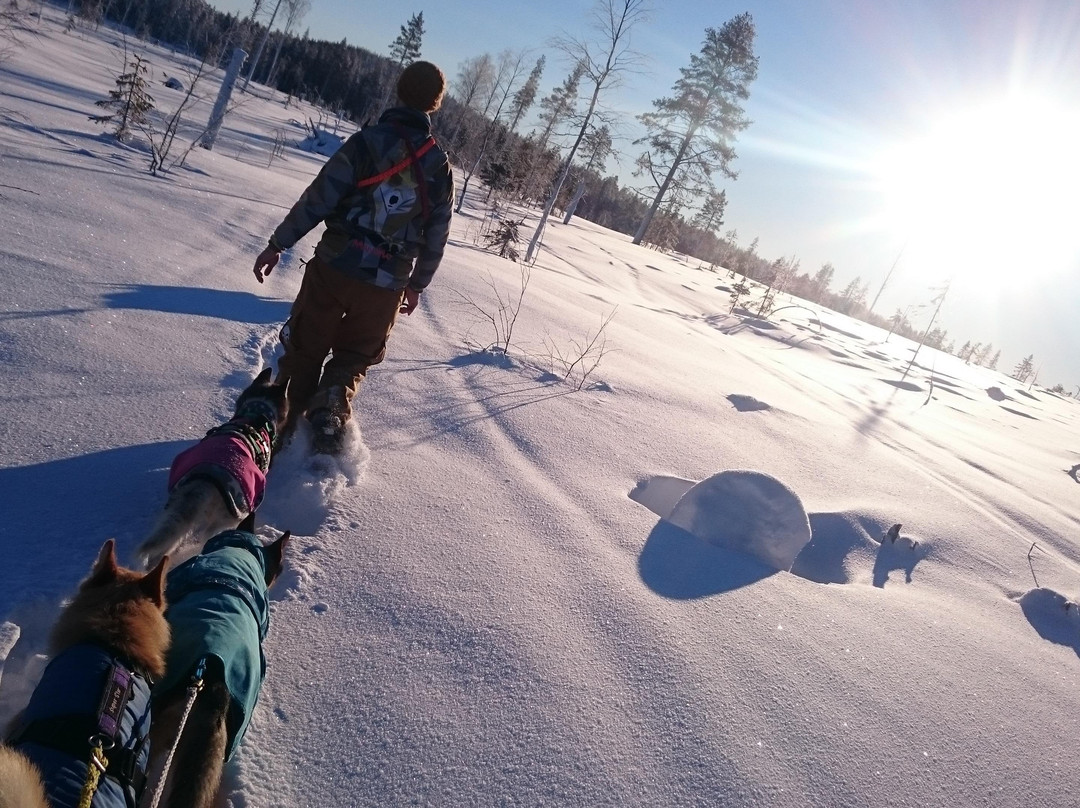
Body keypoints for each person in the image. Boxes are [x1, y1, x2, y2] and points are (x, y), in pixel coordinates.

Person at [253, 60, 454, 450]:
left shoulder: (366, 142)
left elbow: (319, 198)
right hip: (387, 284)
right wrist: (416, 285)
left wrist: (278, 244)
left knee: (306, 345)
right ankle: (331, 407)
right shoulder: (439, 166)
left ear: (399, 91)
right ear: (435, 103)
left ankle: (282, 421)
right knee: (355, 355)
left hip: (335, 267)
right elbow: (437, 236)